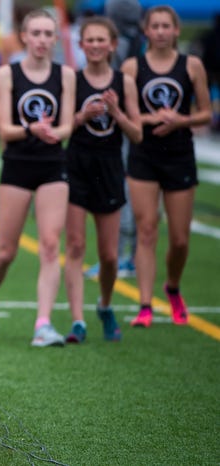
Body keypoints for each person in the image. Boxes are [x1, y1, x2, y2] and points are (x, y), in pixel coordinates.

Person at [0, 9, 75, 346]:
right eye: (36, 33)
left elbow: (68, 126)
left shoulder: (66, 75)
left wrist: (52, 131)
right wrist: (33, 128)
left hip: (52, 166)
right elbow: (4, 129)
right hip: (17, 165)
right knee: (6, 251)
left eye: (48, 34)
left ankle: (43, 324)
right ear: (24, 37)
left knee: (49, 244)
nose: (42, 40)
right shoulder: (6, 74)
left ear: (55, 39)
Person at [121, 5, 211, 328]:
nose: (160, 31)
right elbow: (123, 114)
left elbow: (205, 112)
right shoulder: (132, 67)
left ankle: (172, 287)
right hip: (143, 154)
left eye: (165, 26)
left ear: (176, 31)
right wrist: (150, 119)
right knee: (146, 230)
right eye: (154, 26)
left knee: (180, 239)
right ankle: (145, 305)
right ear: (146, 31)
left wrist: (180, 120)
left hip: (179, 155)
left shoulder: (192, 66)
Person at [63, 16, 142, 343]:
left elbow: (137, 134)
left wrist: (116, 112)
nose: (95, 46)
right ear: (81, 45)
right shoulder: (72, 80)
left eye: (101, 40)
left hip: (109, 168)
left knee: (109, 255)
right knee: (76, 245)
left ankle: (105, 305)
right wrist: (82, 116)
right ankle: (77, 321)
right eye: (89, 40)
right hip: (77, 166)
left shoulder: (123, 83)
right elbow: (62, 129)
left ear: (112, 45)